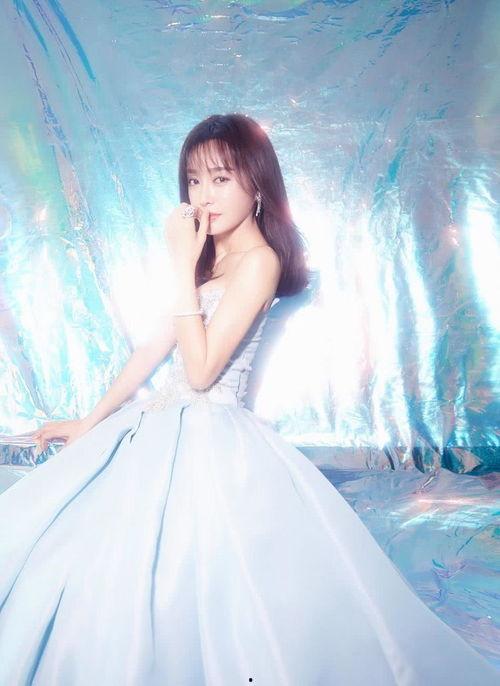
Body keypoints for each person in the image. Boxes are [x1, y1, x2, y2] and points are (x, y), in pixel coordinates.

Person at [0, 113, 498, 686]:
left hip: (212, 433)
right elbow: (154, 347)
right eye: (193, 180)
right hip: (158, 423)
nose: (203, 197)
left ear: (256, 185)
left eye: (220, 179)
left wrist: (179, 265)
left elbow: (201, 371)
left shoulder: (260, 261)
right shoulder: (211, 258)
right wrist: (89, 420)